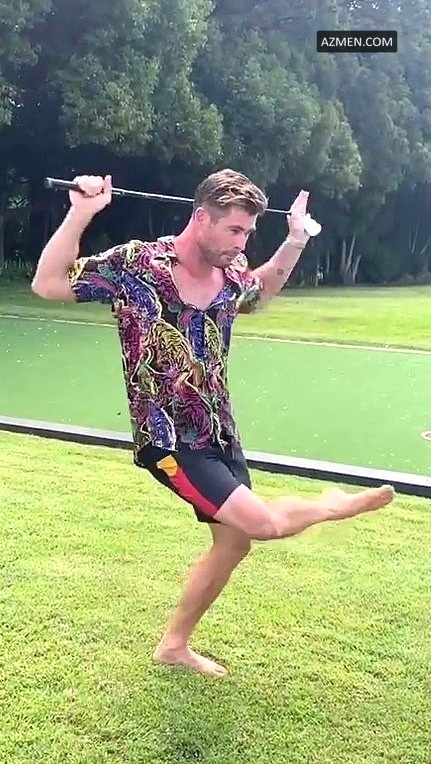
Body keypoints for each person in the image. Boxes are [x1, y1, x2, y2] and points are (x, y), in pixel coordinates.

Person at [32, 169, 395, 677]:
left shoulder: (231, 273)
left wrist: (294, 240)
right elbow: (48, 283)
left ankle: (173, 646)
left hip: (219, 432)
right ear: (201, 218)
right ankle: (332, 505)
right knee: (262, 525)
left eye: (248, 232)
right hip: (168, 438)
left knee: (233, 542)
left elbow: (259, 293)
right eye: (234, 230)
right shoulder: (138, 265)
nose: (241, 243)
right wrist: (82, 212)